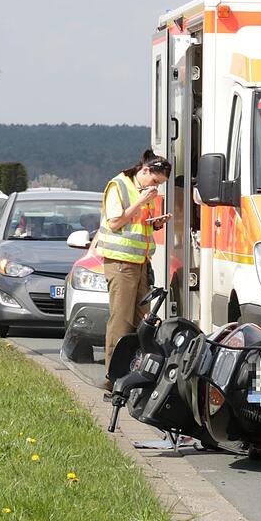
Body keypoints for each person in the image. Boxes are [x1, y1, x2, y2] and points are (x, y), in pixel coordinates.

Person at [98, 149, 172, 389]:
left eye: (160, 184)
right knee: (121, 320)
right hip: (121, 263)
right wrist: (141, 202)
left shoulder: (143, 191)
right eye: (155, 181)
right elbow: (115, 222)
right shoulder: (119, 186)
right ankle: (113, 378)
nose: (156, 187)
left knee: (144, 321)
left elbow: (137, 226)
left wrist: (156, 224)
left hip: (140, 262)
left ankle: (137, 374)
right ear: (145, 170)